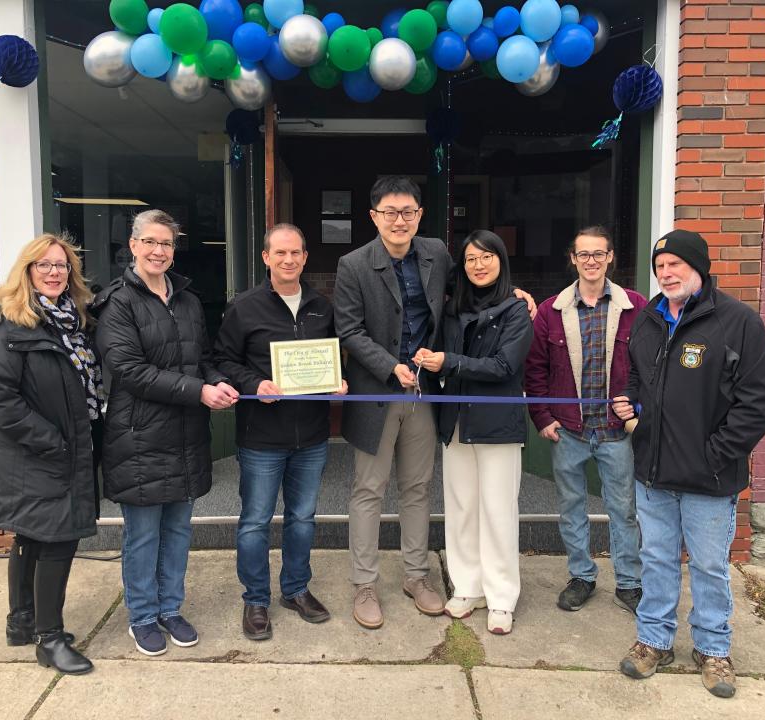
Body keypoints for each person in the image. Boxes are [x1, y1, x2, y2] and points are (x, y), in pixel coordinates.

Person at [612, 230, 765, 698]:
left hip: (709, 478)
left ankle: (713, 649)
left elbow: (763, 399)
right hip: (653, 473)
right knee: (657, 560)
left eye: (675, 265)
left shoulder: (737, 322)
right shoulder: (648, 319)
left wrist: (716, 453)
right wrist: (630, 403)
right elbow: (637, 379)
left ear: (698, 268)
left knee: (709, 566)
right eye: (659, 267)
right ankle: (654, 640)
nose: (666, 274)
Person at [93, 209, 238, 657]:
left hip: (186, 434)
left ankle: (171, 608)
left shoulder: (189, 300)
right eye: (151, 242)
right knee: (143, 534)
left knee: (178, 530)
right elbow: (130, 370)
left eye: (168, 244)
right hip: (139, 435)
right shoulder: (117, 302)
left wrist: (216, 381)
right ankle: (141, 616)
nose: (159, 251)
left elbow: (203, 356)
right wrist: (199, 391)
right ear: (133, 245)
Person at [0, 233, 103, 675]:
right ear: (26, 271)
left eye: (62, 266)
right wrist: (52, 441)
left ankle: (21, 620)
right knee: (56, 538)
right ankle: (50, 638)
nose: (54, 273)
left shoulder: (71, 322)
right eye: (44, 265)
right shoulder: (8, 325)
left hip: (60, 446)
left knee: (31, 535)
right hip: (37, 451)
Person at [213, 223, 347, 641]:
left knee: (303, 518)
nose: (289, 260)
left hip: (310, 435)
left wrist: (337, 380)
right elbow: (221, 360)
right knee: (255, 522)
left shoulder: (321, 307)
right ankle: (255, 599)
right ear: (266, 258)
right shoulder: (244, 307)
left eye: (296, 253)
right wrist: (255, 386)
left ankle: (295, 589)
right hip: (261, 437)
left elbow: (332, 356)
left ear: (305, 258)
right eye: (280, 253)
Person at [333, 176, 448, 628]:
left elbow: (461, 300)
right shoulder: (353, 264)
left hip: (424, 394)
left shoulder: (437, 253)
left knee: (418, 489)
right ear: (374, 217)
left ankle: (416, 576)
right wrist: (389, 366)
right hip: (378, 393)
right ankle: (364, 584)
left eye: (408, 212)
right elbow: (350, 329)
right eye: (389, 213)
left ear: (420, 214)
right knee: (369, 490)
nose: (399, 221)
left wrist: (513, 295)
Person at [414, 230, 532, 635]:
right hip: (456, 421)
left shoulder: (516, 310)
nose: (479, 265)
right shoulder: (452, 309)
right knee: (462, 506)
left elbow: (503, 367)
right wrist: (430, 359)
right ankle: (467, 586)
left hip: (498, 424)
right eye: (470, 259)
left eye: (487, 257)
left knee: (498, 511)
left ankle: (501, 597)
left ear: (501, 260)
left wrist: (449, 362)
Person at [525, 227, 647, 614]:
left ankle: (629, 582)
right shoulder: (551, 311)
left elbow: (649, 367)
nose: (591, 261)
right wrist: (542, 416)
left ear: (610, 257)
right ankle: (581, 576)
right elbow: (536, 369)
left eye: (598, 254)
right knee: (571, 507)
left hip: (616, 432)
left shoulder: (636, 307)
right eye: (583, 255)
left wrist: (638, 408)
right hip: (570, 431)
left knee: (624, 509)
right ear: (572, 259)